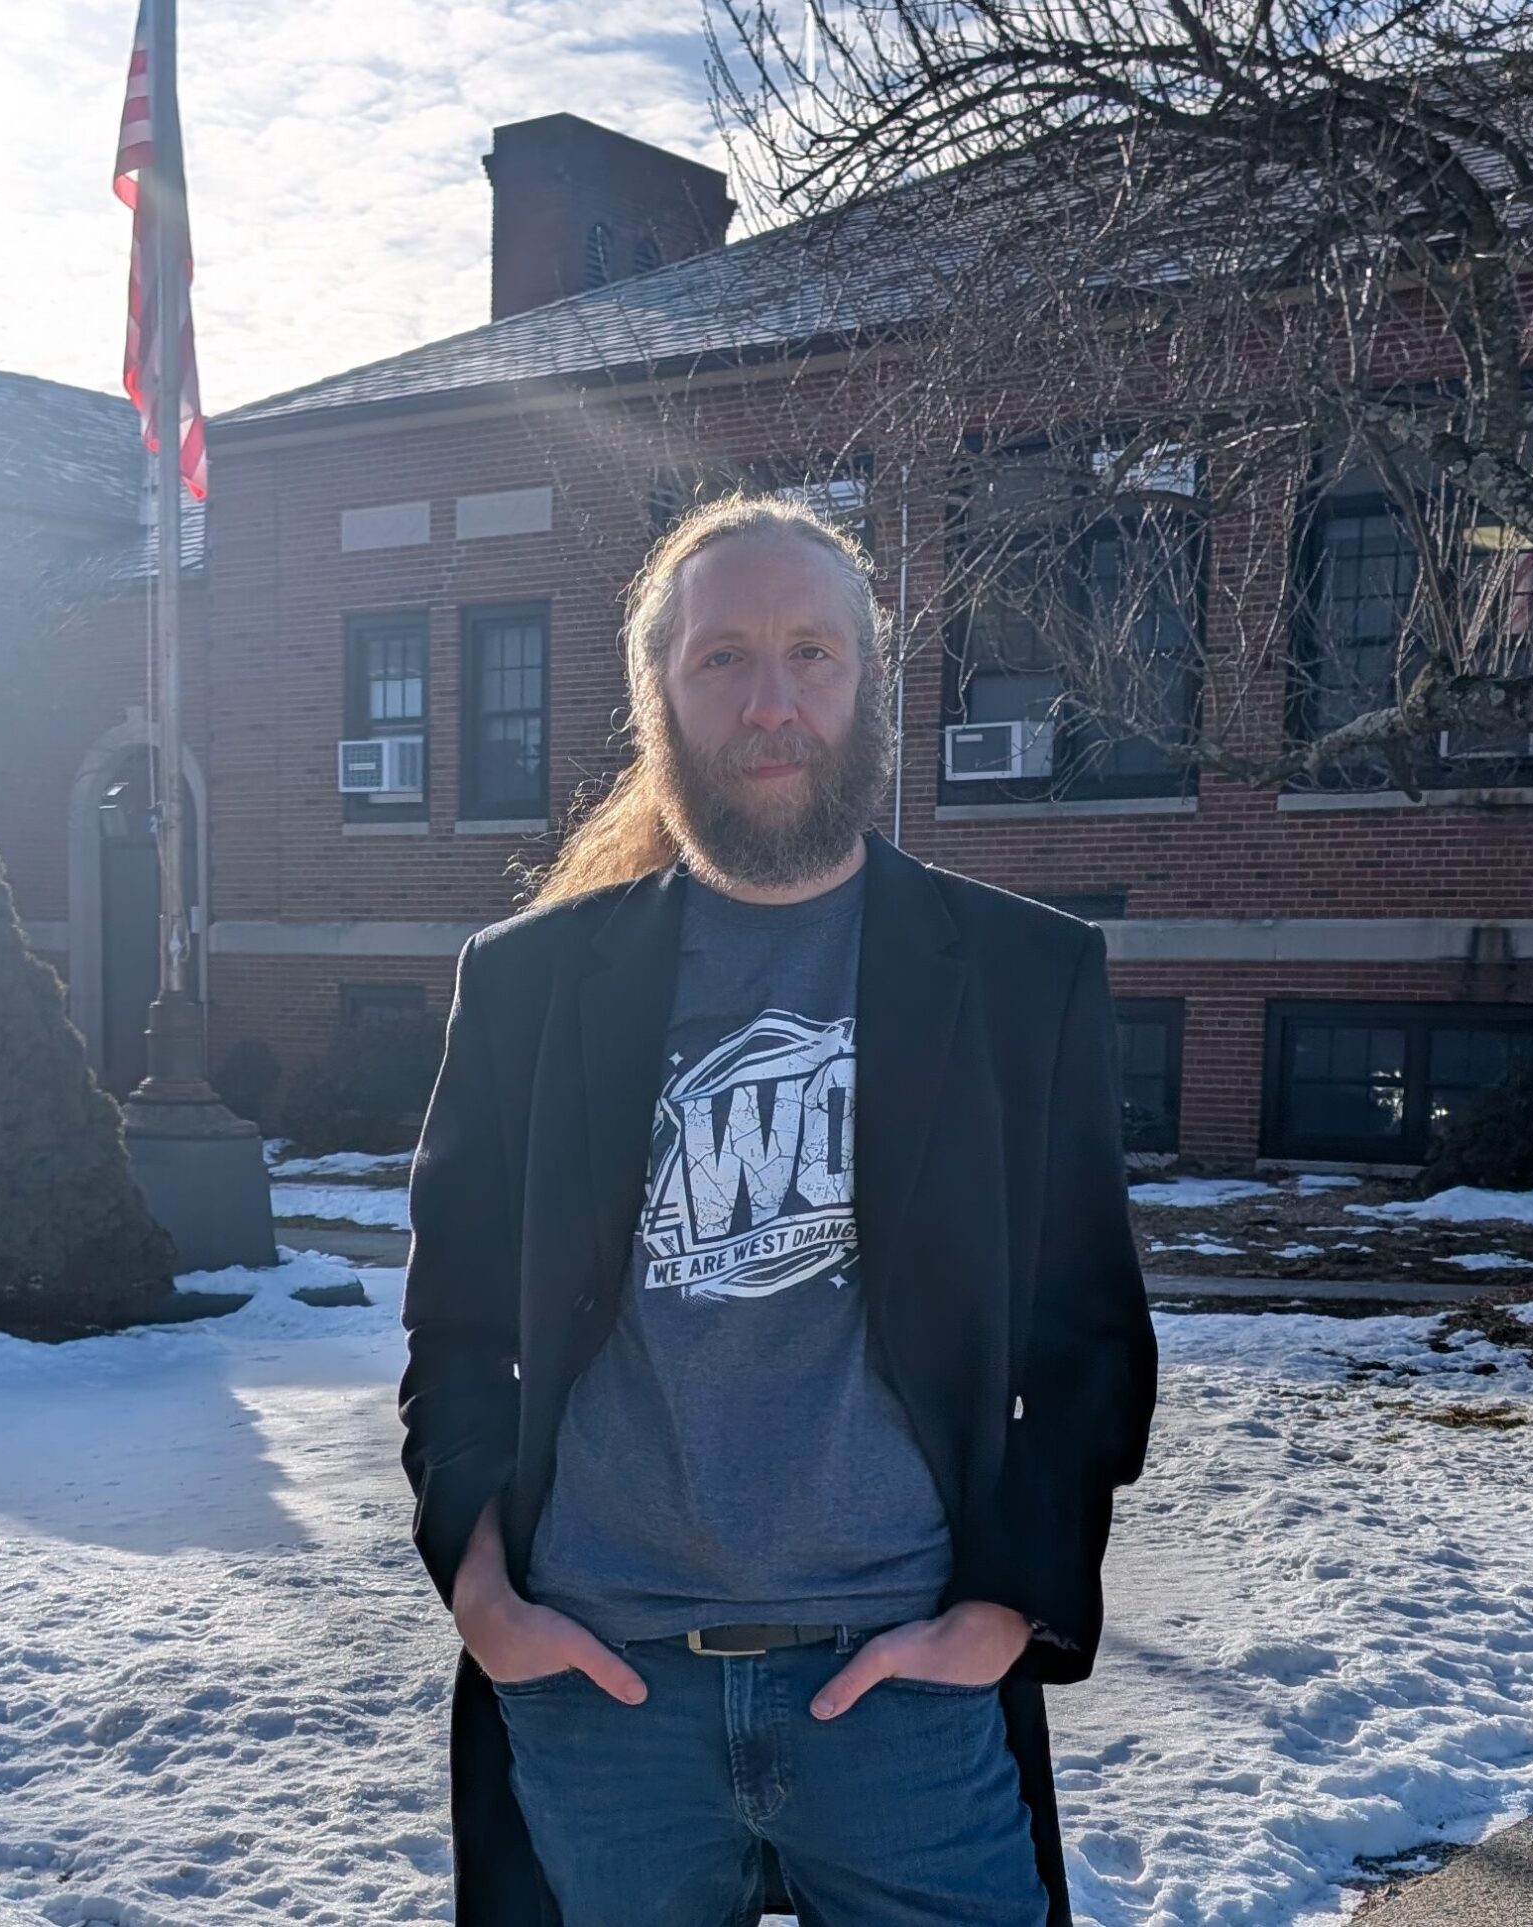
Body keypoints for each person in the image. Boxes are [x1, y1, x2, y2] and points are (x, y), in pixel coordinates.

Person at [396, 495, 1158, 1926]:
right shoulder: (528, 984)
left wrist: (998, 1614)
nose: (770, 702)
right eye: (722, 657)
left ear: (874, 679)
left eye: (812, 654)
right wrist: (486, 1594)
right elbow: (454, 1331)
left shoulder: (1019, 976)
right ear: (657, 696)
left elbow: (1088, 1342)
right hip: (605, 1696)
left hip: (903, 1693)